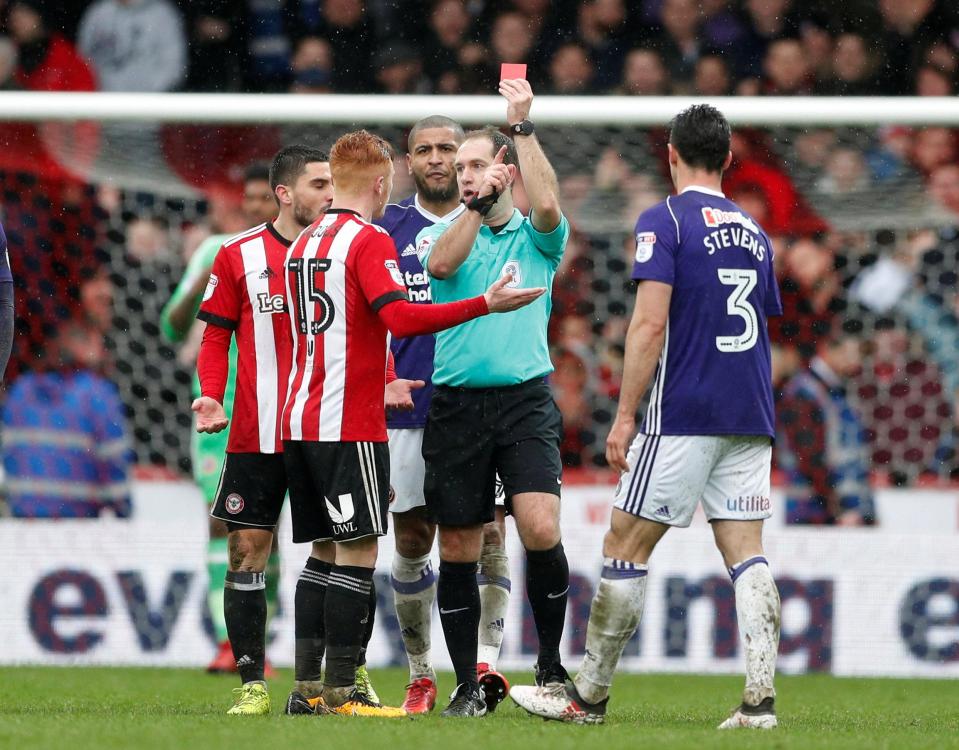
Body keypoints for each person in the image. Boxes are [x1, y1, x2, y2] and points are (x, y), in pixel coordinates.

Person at [509, 104, 783, 729]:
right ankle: (759, 703)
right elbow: (760, 323)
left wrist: (626, 413)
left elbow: (650, 322)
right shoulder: (754, 231)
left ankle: (587, 698)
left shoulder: (665, 220)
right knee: (748, 554)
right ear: (730, 160)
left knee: (624, 546)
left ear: (671, 154)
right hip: (750, 411)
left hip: (685, 409)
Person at [279, 129, 544, 718]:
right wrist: (483, 305)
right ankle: (342, 692)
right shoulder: (370, 238)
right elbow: (400, 317)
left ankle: (306, 688)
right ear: (382, 182)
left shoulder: (302, 242)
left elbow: (335, 331)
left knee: (322, 551)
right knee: (359, 552)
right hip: (349, 419)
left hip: (303, 414)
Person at [414, 78, 571, 717]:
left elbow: (552, 206)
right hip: (456, 405)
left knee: (539, 527)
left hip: (525, 401)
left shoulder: (536, 239)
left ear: (503, 169)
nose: (466, 173)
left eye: (478, 164)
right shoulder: (444, 234)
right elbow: (443, 270)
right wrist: (475, 208)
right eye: (462, 166)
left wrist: (522, 129)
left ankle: (553, 666)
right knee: (456, 545)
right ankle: (466, 685)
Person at [191, 145, 335, 716]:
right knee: (246, 547)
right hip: (255, 429)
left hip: (326, 426)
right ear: (285, 193)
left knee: (338, 551)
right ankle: (252, 683)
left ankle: (329, 680)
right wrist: (209, 392)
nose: (329, 196)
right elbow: (214, 334)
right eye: (318, 185)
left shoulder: (345, 250)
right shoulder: (236, 254)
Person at [376, 115, 513, 715]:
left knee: (488, 532)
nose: (436, 159)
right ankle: (420, 672)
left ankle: (483, 664)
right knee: (412, 537)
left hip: (481, 405)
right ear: (408, 163)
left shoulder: (496, 223)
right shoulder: (385, 229)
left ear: (467, 162)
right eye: (425, 150)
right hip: (408, 411)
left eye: (448, 150)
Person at [160, 163, 279, 675]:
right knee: (223, 518)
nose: (254, 208)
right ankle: (229, 642)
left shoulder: (301, 254)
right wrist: (200, 287)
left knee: (269, 525)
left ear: (281, 200)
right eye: (246, 199)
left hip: (282, 402)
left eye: (263, 199)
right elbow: (172, 325)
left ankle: (261, 642)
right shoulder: (217, 252)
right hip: (220, 406)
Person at [3, 321, 132, 518]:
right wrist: (124, 511)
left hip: (22, 522)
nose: (105, 351)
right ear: (79, 348)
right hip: (78, 526)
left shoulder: (20, 391)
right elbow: (115, 469)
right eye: (98, 343)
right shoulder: (97, 394)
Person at [777, 321, 877, 526]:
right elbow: (808, 456)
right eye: (852, 352)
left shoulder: (833, 390)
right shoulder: (804, 393)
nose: (857, 360)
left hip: (835, 512)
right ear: (828, 348)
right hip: (816, 515)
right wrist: (839, 508)